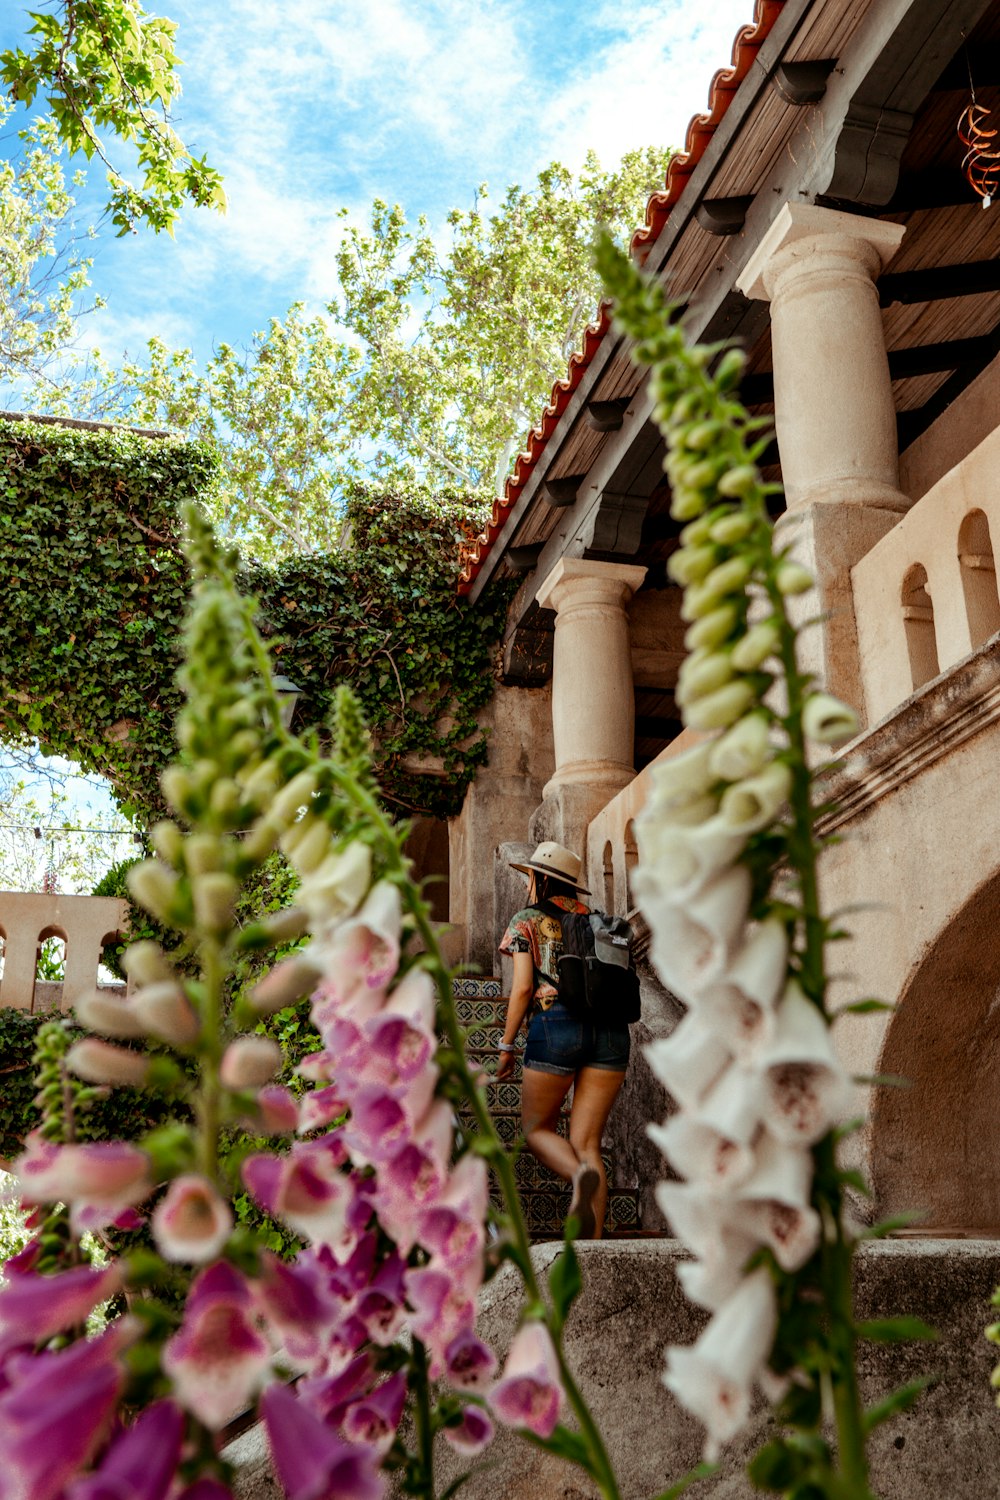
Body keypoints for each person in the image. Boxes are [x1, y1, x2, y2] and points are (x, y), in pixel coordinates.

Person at [497, 840, 630, 1239]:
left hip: (555, 1025)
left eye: (529, 879)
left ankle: (577, 1176)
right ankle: (593, 1250)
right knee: (588, 1142)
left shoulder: (527, 920)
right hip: (611, 1031)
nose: (525, 887)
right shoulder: (596, 920)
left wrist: (505, 1047)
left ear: (540, 880)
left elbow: (522, 989)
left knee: (537, 1131)